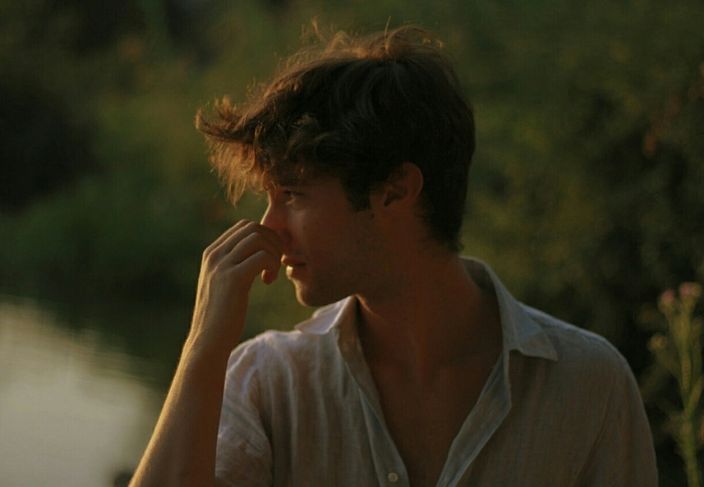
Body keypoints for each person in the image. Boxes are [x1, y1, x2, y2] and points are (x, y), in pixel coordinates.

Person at [130, 26, 657, 487]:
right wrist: (203, 347)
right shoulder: (270, 381)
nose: (270, 227)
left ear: (395, 190)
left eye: (292, 194)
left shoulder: (590, 386)